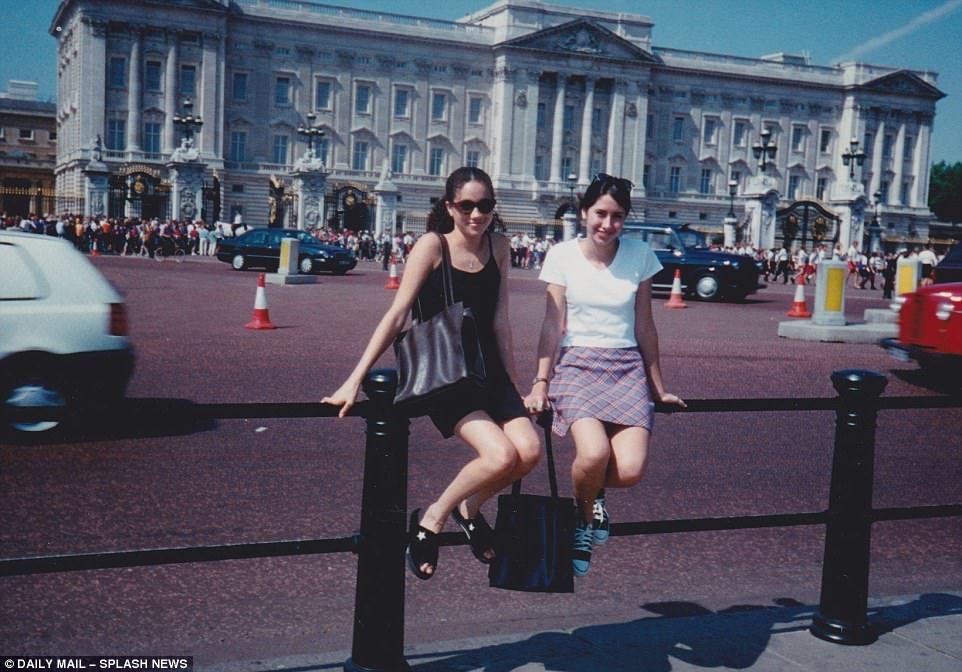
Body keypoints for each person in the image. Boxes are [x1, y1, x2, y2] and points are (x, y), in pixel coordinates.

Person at [322, 167, 541, 580]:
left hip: (489, 371)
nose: (477, 215)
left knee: (528, 452)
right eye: (467, 206)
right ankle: (432, 521)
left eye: (486, 206)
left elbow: (500, 322)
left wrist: (515, 384)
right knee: (501, 455)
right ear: (449, 206)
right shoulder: (432, 245)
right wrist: (354, 378)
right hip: (448, 374)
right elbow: (398, 314)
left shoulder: (499, 246)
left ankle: (469, 509)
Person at [523, 173, 686, 577]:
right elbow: (551, 324)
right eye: (600, 214)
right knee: (593, 453)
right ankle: (582, 519)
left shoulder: (641, 255)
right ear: (583, 212)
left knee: (629, 471)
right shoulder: (561, 255)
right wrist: (540, 381)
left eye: (617, 216)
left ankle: (592, 493)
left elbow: (645, 325)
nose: (607, 224)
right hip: (577, 364)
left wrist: (659, 388)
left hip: (626, 366)